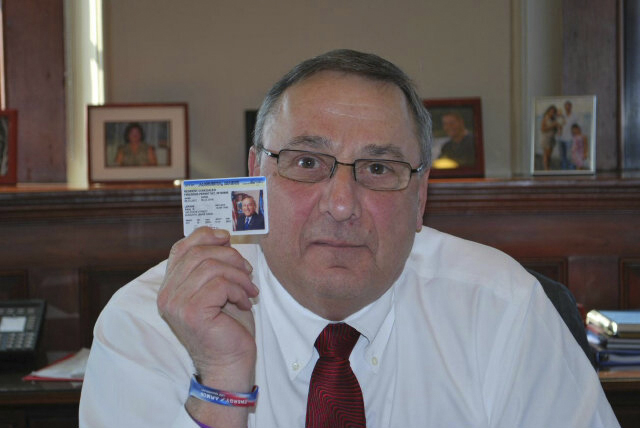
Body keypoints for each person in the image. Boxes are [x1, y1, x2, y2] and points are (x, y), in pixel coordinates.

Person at [79, 49, 619, 427]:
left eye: (379, 168)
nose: (341, 204)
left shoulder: (502, 307)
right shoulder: (148, 323)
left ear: (421, 196)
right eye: (307, 162)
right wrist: (222, 385)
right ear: (254, 176)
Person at [557, 101, 579, 169]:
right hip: (561, 138)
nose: (567, 108)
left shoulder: (574, 116)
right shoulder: (562, 115)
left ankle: (571, 170)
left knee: (570, 155)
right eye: (566, 106)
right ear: (564, 107)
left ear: (571, 107)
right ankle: (564, 170)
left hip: (570, 138)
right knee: (562, 156)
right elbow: (559, 125)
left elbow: (577, 127)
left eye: (569, 106)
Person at [539, 105, 561, 170]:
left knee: (549, 155)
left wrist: (558, 128)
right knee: (546, 155)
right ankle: (546, 169)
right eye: (551, 112)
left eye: (554, 112)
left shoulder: (554, 119)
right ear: (548, 112)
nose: (552, 113)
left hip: (552, 138)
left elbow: (556, 130)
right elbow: (543, 129)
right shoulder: (545, 119)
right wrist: (552, 125)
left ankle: (547, 168)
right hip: (546, 138)